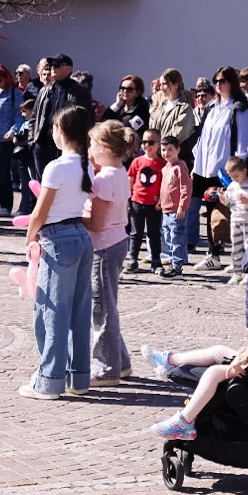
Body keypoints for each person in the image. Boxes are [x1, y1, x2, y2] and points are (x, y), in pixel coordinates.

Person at [147, 287, 248, 438]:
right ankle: (169, 361)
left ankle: (184, 421)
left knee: (214, 372)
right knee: (219, 351)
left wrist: (236, 363)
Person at [19, 105, 97, 400]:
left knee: (51, 310)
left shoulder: (57, 166)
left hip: (57, 238)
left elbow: (40, 211)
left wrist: (30, 237)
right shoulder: (87, 165)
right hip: (80, 236)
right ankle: (79, 377)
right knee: (79, 310)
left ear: (60, 130)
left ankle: (49, 380)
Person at [86, 120, 137, 386]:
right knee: (108, 305)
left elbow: (95, 224)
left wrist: (70, 217)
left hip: (104, 246)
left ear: (104, 147)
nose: (89, 149)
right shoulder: (118, 171)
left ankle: (106, 368)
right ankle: (121, 361)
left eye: (92, 144)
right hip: (116, 241)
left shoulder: (104, 179)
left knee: (102, 309)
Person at [189, 67, 248, 266]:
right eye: (215, 81)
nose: (218, 85)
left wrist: (237, 169)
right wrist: (195, 165)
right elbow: (202, 138)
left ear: (232, 83)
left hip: (226, 169)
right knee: (211, 211)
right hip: (205, 167)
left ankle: (239, 258)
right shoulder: (212, 108)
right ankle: (213, 254)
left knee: (234, 213)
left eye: (222, 81)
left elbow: (243, 141)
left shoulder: (239, 109)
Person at [30, 54, 92, 178]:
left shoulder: (80, 92)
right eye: (51, 65)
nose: (53, 68)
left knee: (62, 182)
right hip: (42, 145)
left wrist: (79, 145)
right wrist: (32, 141)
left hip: (64, 146)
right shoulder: (44, 90)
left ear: (69, 69)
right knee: (43, 184)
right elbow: (34, 117)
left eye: (57, 65)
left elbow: (87, 120)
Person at [126, 130, 165, 273]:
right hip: (137, 202)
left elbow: (164, 185)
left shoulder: (162, 164)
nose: (146, 145)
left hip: (154, 205)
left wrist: (161, 199)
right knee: (135, 233)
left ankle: (156, 261)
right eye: (144, 142)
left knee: (154, 234)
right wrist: (127, 199)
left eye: (151, 142)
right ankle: (133, 260)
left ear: (158, 144)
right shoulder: (137, 161)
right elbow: (130, 180)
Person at [222, 155, 248, 285]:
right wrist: (222, 198)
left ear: (244, 171)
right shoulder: (231, 186)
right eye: (231, 177)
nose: (234, 179)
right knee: (236, 248)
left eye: (236, 175)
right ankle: (236, 273)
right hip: (235, 221)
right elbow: (228, 202)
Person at [0, 65, 22, 217]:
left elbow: (19, 115)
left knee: (4, 173)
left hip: (5, 139)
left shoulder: (14, 93)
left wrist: (13, 130)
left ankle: (5, 205)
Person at [157, 135, 193, 278]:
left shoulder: (180, 167)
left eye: (170, 149)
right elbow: (164, 187)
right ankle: (174, 261)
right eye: (163, 150)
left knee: (177, 237)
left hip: (176, 210)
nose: (166, 153)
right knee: (168, 237)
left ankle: (177, 267)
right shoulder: (165, 168)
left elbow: (186, 188)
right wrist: (160, 201)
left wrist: (182, 206)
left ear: (178, 150)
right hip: (166, 210)